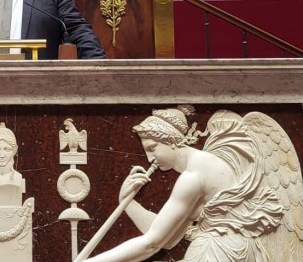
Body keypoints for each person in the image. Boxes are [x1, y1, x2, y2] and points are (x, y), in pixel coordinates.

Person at [85, 106, 288, 262]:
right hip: (235, 250)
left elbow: (153, 243)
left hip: (216, 252)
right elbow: (170, 239)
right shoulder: (210, 162)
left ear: (171, 140)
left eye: (152, 148)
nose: (150, 158)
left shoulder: (193, 176)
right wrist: (128, 202)